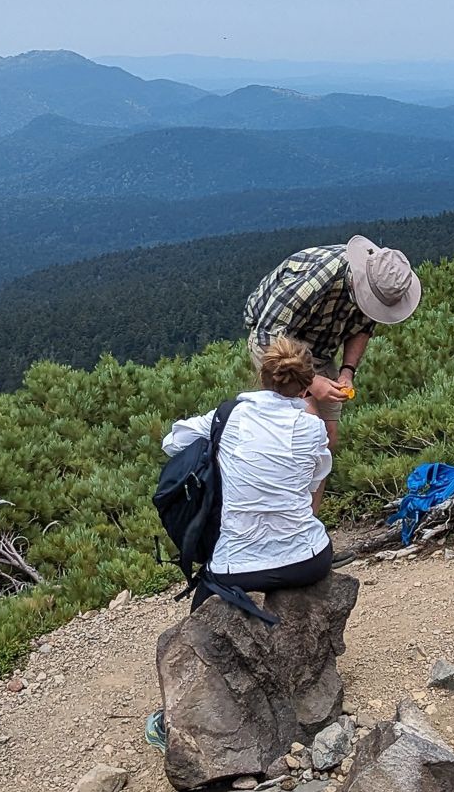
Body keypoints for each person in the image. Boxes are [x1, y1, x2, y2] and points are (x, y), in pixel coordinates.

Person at [159, 334, 336, 601]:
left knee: (204, 597)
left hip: (237, 566)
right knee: (320, 465)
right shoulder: (314, 428)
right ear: (305, 389)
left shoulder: (229, 415)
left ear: (261, 377)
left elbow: (172, 443)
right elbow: (314, 482)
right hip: (306, 559)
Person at [243, 235, 422, 445]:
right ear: (360, 281)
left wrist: (347, 371)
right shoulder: (320, 277)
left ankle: (317, 477)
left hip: (318, 349)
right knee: (307, 432)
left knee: (328, 437)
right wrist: (311, 381)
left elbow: (362, 328)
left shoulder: (382, 284)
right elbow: (266, 333)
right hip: (277, 344)